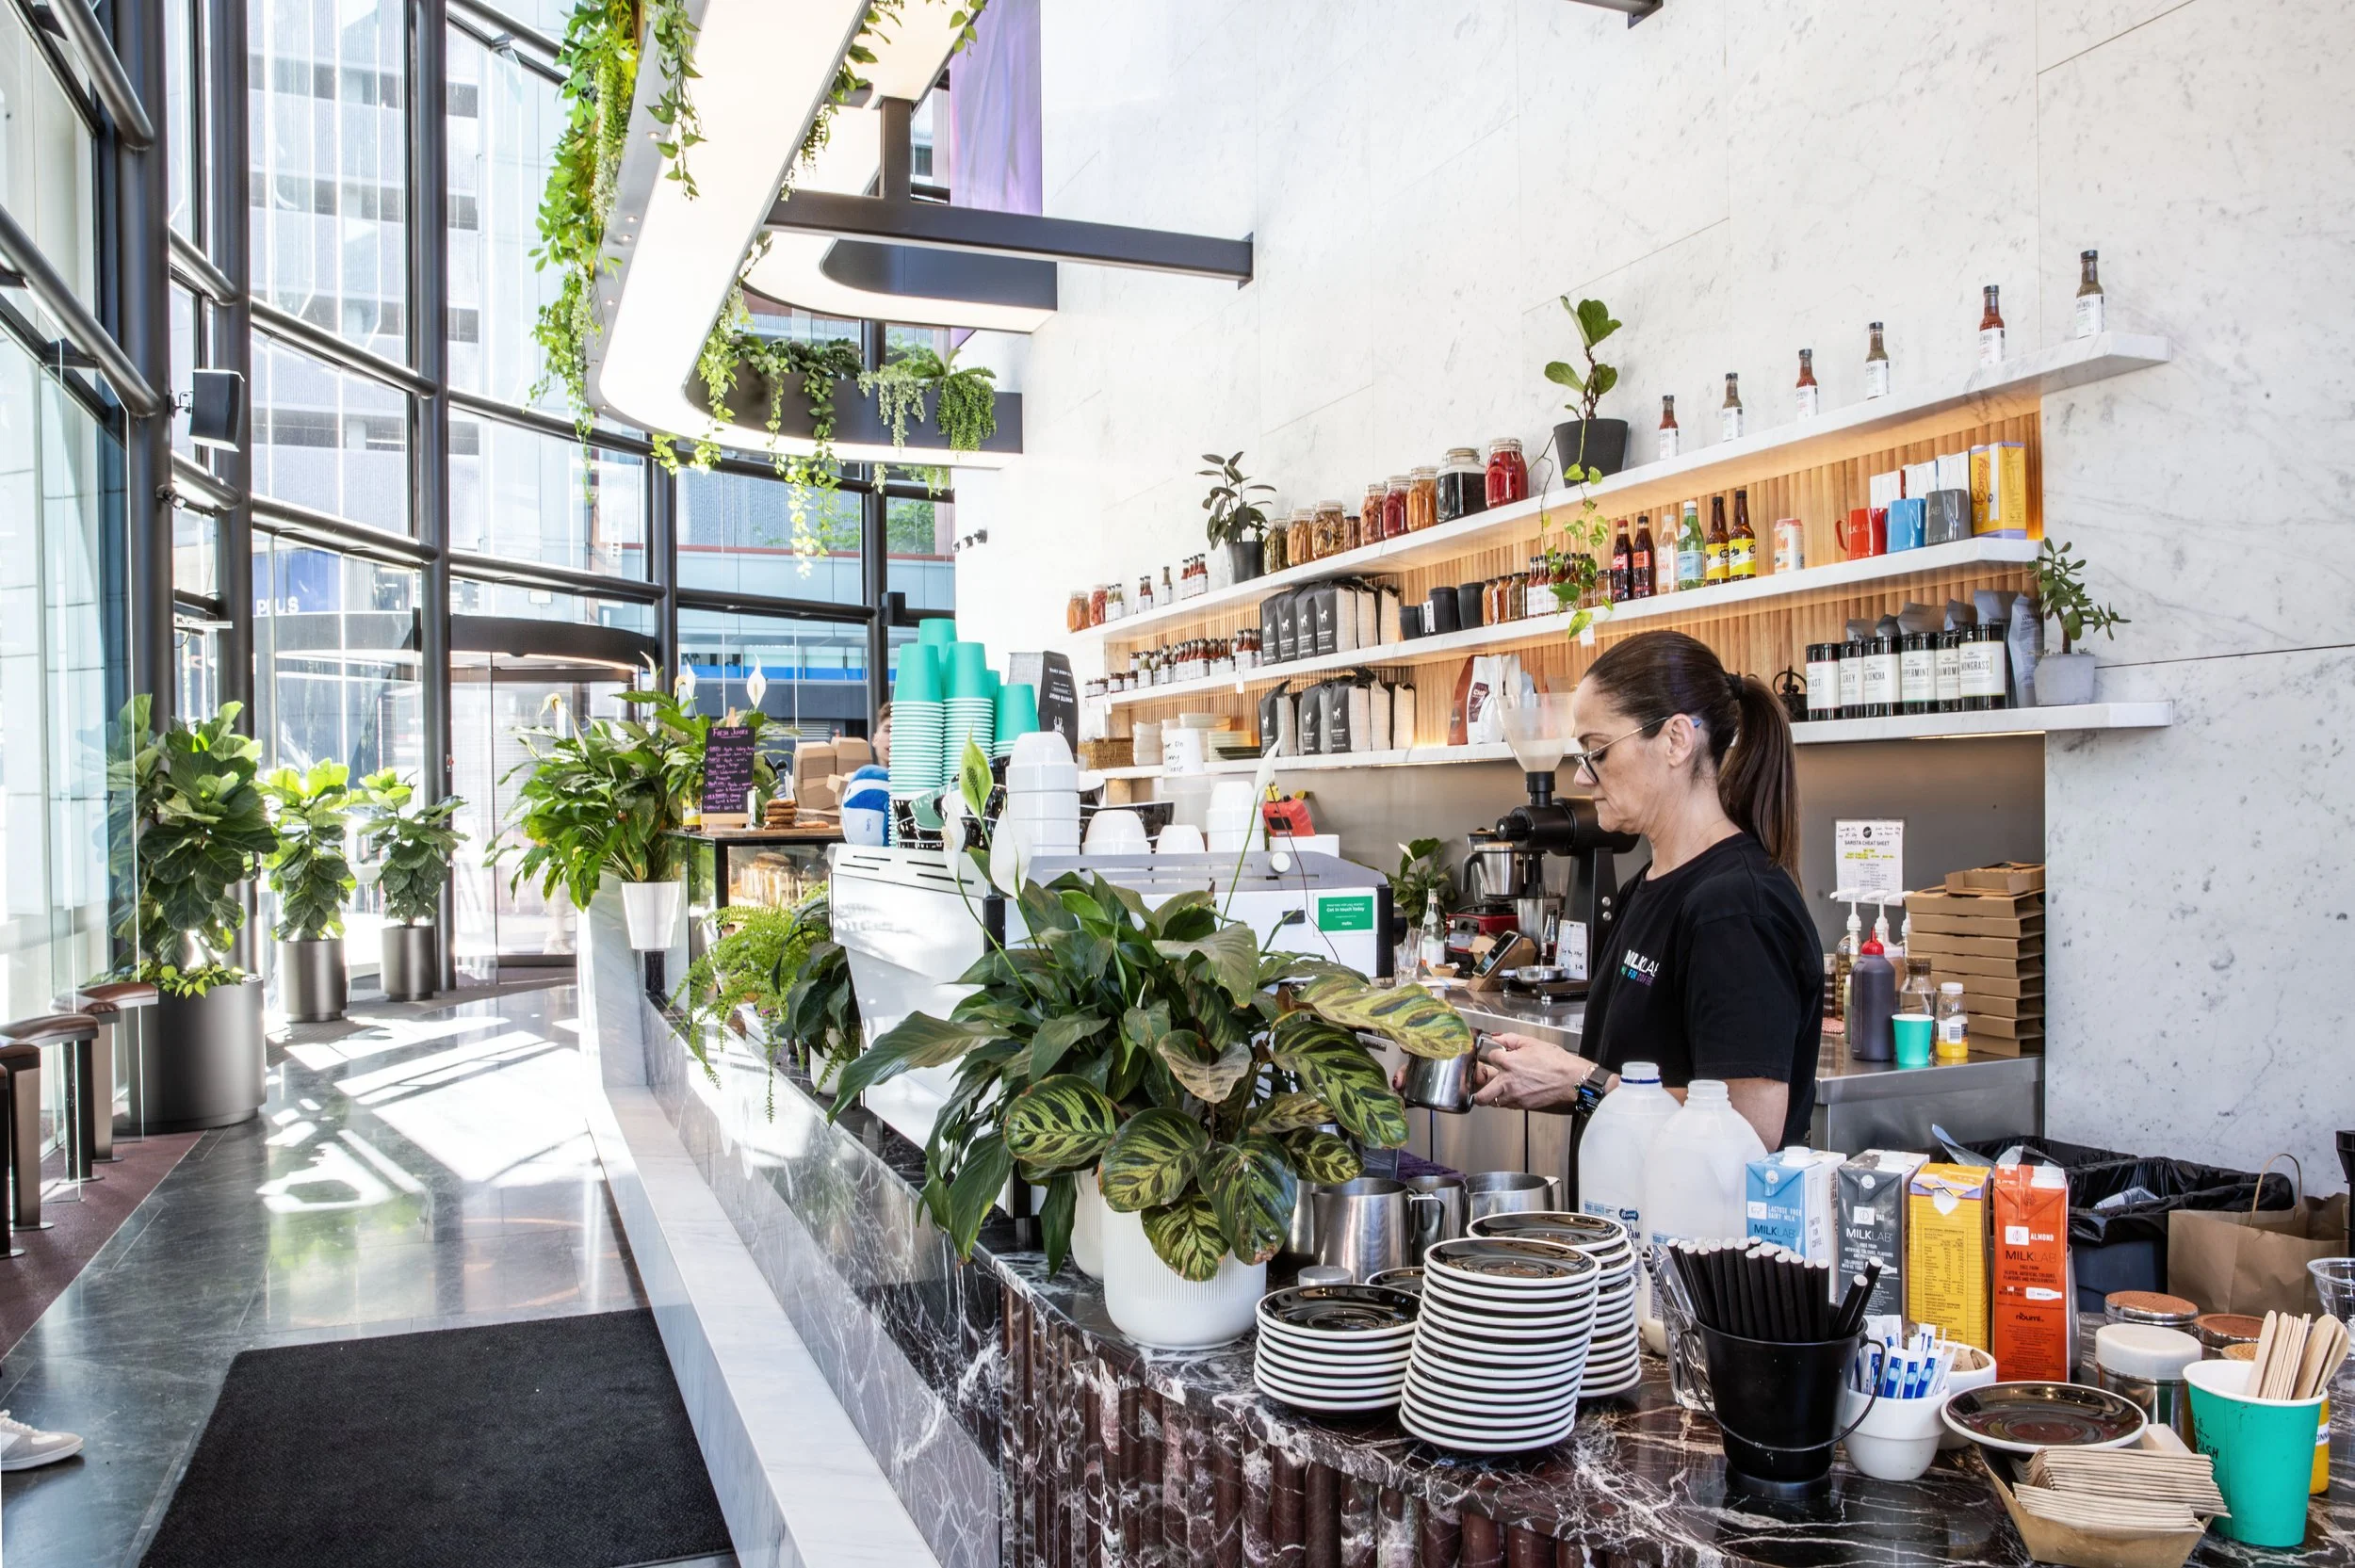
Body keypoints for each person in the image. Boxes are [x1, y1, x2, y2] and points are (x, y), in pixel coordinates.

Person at [1469, 630, 1822, 1150]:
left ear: (1676, 740)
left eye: (1597, 752)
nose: (1583, 778)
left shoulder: (1736, 908)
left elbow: (1749, 1127)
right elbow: (1631, 1080)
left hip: (1703, 1231)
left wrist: (1580, 1082)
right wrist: (1528, 1072)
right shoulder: (1648, 887)